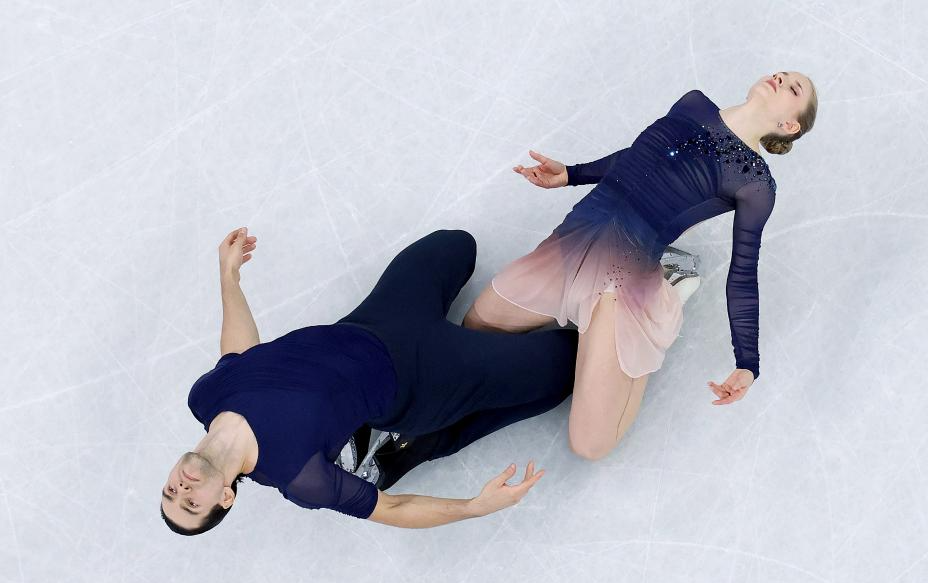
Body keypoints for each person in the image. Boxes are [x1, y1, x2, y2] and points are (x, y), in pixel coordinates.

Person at [464, 72, 818, 460]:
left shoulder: (755, 183)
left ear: (789, 126)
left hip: (621, 284)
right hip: (570, 246)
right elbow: (635, 157)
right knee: (476, 325)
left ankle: (668, 291)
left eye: (793, 88)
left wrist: (747, 363)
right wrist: (571, 174)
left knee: (590, 445)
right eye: (782, 73)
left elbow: (744, 272)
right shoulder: (694, 104)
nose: (780, 78)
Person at [161, 227, 579, 535]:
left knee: (457, 245)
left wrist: (229, 276)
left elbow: (240, 357)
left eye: (170, 492)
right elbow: (393, 508)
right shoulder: (297, 475)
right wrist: (475, 507)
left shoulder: (204, 398)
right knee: (566, 361)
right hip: (424, 380)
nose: (181, 489)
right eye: (191, 503)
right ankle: (451, 419)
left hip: (377, 321)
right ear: (225, 497)